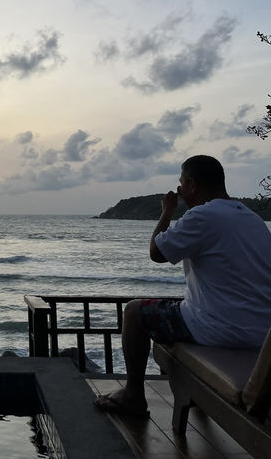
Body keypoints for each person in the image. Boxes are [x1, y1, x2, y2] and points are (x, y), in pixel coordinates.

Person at [95, 154, 271, 419]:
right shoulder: (252, 219)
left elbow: (157, 252)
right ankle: (192, 394)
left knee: (133, 312)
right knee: (178, 307)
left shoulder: (202, 216)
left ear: (191, 184)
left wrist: (167, 211)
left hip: (222, 328)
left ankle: (133, 395)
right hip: (260, 331)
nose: (179, 189)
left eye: (181, 182)